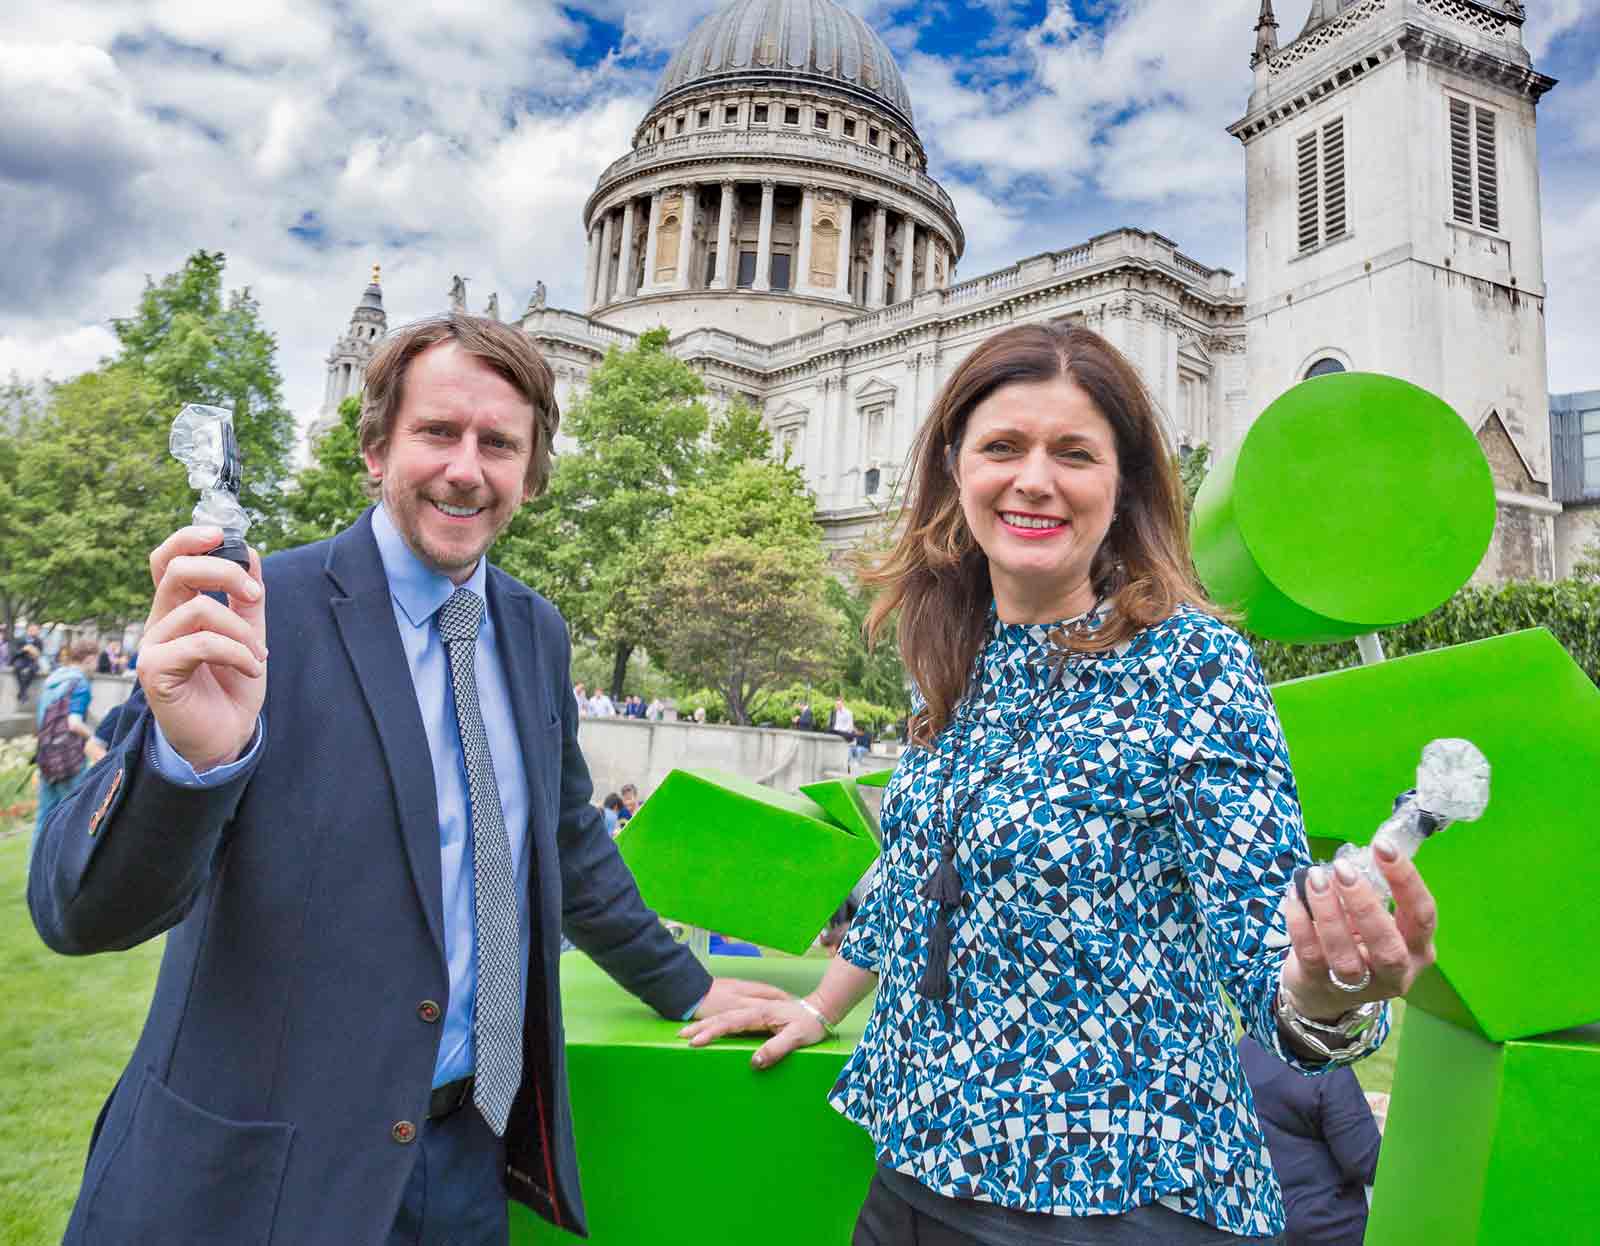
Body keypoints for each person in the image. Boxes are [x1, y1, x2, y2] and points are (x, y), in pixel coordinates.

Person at [28, 314, 785, 1246]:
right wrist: (193, 762)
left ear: (530, 476)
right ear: (375, 451)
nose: (467, 468)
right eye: (438, 432)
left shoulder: (534, 631)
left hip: (464, 1168)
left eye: (499, 443)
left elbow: (564, 841)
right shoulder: (264, 610)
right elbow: (80, 913)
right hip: (261, 1183)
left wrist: (688, 986)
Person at [683, 323, 1440, 1245]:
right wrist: (819, 1003)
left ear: (1120, 491)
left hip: (1111, 1196)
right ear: (956, 472)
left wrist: (1329, 989)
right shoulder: (953, 664)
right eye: (1003, 447)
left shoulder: (1190, 663)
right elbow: (919, 883)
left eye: (1074, 454)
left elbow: (1263, 946)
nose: (1034, 479)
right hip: (917, 1169)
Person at [1237, 1037, 1380, 1246]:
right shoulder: (1328, 1070)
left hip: (1258, 1216)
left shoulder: (1247, 1044)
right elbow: (1365, 1162)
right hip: (1325, 1226)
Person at [31, 639, 99, 859]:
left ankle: (35, 872)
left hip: (46, 758)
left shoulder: (52, 679)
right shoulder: (80, 684)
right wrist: (96, 738)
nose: (96, 666)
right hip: (70, 760)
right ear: (89, 659)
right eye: (96, 660)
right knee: (74, 818)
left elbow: (42, 721)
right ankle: (65, 874)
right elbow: (74, 723)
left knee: (44, 818)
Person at [12, 622, 43, 703]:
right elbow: (14, 653)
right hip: (21, 659)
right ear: (28, 630)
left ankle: (22, 691)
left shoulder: (39, 641)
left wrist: (35, 652)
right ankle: (24, 692)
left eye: (36, 630)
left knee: (34, 669)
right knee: (17, 667)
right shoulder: (19, 639)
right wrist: (24, 649)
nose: (35, 631)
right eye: (32, 629)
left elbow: (40, 653)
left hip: (32, 660)